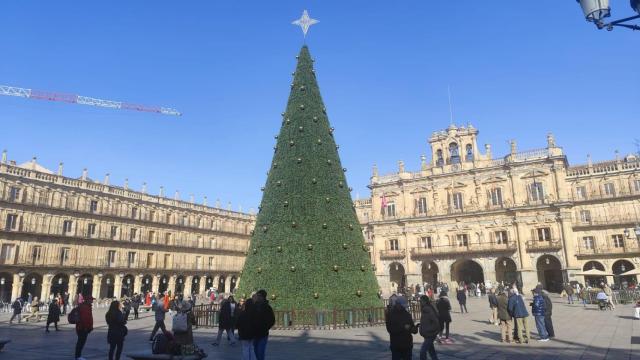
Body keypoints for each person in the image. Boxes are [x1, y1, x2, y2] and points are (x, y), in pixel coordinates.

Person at [251, 289, 275, 360]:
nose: (258, 297)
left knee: (260, 351)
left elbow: (272, 320)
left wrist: (266, 327)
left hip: (263, 333)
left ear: (263, 297)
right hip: (254, 333)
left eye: (259, 296)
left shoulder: (267, 307)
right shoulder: (254, 306)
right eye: (257, 296)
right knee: (255, 351)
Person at [418, 295, 440, 360]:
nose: (420, 303)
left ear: (425, 301)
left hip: (430, 334)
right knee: (431, 351)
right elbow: (426, 321)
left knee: (422, 351)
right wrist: (421, 326)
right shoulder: (424, 310)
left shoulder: (429, 310)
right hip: (427, 334)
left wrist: (427, 329)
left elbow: (436, 323)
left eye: (421, 301)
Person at [75, 295, 94, 360]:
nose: (92, 301)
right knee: (81, 342)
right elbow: (85, 319)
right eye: (91, 300)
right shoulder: (85, 307)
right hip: (82, 328)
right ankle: (78, 356)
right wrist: (86, 328)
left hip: (82, 328)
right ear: (88, 300)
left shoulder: (86, 306)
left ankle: (78, 356)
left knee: (81, 342)